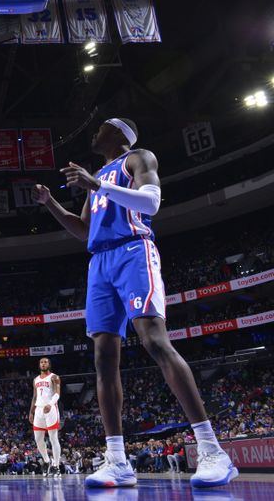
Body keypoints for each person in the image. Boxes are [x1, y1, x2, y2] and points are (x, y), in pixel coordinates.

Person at [32, 117, 237, 488]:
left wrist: (97, 185)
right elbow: (83, 230)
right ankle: (117, 460)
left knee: (155, 341)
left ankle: (212, 450)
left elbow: (152, 203)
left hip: (133, 252)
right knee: (103, 359)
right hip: (99, 262)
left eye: (101, 127)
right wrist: (49, 203)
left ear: (118, 134)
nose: (93, 131)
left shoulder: (138, 158)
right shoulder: (97, 177)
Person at [30, 357, 62, 477]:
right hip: (38, 409)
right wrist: (31, 412)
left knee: (53, 438)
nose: (43, 364)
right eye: (41, 362)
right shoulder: (36, 379)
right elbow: (34, 397)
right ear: (39, 365)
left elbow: (58, 393)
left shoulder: (54, 377)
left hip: (51, 408)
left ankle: (57, 466)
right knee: (38, 439)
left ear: (49, 364)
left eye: (45, 362)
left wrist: (50, 404)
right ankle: (47, 461)